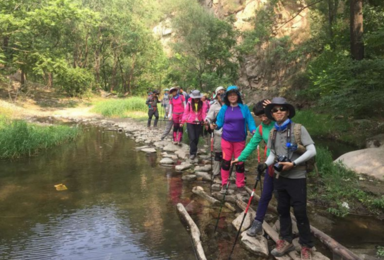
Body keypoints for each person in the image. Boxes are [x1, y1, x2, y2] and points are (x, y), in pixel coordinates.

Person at [258, 97, 316, 260]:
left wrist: (294, 163)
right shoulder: (273, 132)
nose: (278, 112)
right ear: (272, 114)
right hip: (280, 176)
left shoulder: (298, 129)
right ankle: (286, 240)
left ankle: (306, 245)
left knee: (300, 211)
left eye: (281, 109)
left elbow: (312, 150)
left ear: (288, 111)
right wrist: (265, 164)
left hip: (297, 176)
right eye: (275, 110)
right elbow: (272, 154)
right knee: (282, 209)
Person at [231, 99, 274, 236]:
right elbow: (251, 144)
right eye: (260, 116)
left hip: (287, 165)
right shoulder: (261, 128)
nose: (263, 118)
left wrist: (275, 107)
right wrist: (240, 158)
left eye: (265, 115)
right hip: (270, 163)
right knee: (266, 194)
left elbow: (289, 119)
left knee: (283, 195)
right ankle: (258, 222)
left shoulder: (280, 124)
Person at [215, 86, 256, 195]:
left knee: (240, 162)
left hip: (240, 139)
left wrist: (253, 130)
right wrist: (213, 126)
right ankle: (224, 183)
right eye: (230, 95)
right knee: (226, 161)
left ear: (238, 96)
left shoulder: (244, 108)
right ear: (227, 97)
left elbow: (250, 121)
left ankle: (240, 185)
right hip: (226, 139)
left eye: (234, 95)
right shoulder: (224, 108)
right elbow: (219, 123)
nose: (232, 97)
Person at [205, 86, 226, 179]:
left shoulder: (232, 105)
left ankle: (228, 172)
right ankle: (216, 172)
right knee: (218, 152)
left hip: (231, 133)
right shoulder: (214, 106)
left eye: (223, 93)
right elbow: (208, 117)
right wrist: (208, 123)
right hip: (218, 132)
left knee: (229, 153)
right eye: (219, 93)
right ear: (216, 95)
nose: (221, 95)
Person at [181, 90, 207, 160]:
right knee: (192, 138)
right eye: (195, 98)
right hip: (190, 122)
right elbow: (186, 113)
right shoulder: (189, 103)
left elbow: (203, 113)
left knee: (196, 138)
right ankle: (192, 153)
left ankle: (194, 150)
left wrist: (205, 121)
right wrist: (182, 121)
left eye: (198, 98)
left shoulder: (203, 104)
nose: (196, 99)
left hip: (199, 123)